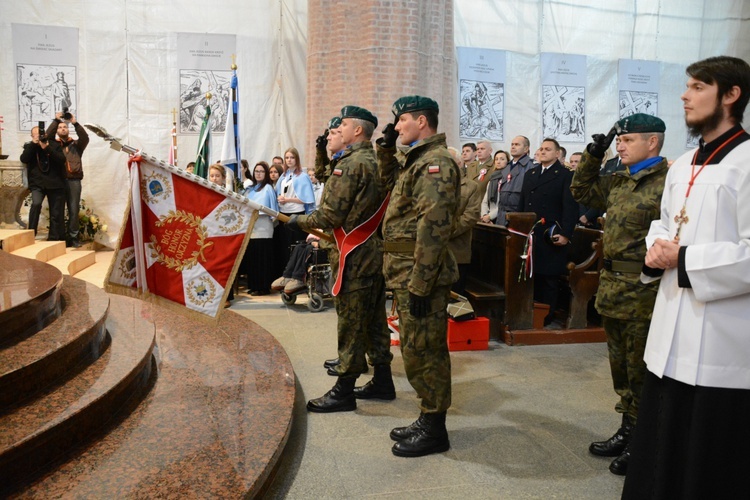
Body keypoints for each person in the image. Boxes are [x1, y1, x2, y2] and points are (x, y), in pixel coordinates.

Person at [623, 56, 750, 499]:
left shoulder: (748, 163)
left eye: (698, 87)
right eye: (687, 87)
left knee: (706, 454)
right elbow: (664, 223)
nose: (685, 95)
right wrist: (656, 248)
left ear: (731, 95)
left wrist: (687, 258)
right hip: (670, 330)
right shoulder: (682, 165)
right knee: (662, 440)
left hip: (722, 340)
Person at [570, 113, 668, 476]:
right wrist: (594, 155)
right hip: (613, 289)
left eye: (627, 141)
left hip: (645, 291)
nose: (620, 146)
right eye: (619, 141)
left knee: (641, 370)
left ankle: (644, 441)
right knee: (621, 371)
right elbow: (581, 191)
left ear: (652, 143)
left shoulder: (667, 183)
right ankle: (628, 430)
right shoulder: (620, 180)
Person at [287, 105, 394, 413]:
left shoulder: (349, 165)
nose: (337, 129)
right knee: (374, 319)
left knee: (350, 322)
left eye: (342, 125)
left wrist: (299, 222)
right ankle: (383, 380)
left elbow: (331, 214)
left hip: (353, 253)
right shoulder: (373, 161)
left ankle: (343, 390)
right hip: (372, 251)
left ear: (357, 130)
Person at [377, 95, 460, 457]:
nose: (397, 127)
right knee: (414, 349)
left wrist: (422, 282)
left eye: (402, 121)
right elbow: (389, 188)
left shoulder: (435, 163)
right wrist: (384, 151)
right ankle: (427, 415)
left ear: (422, 122)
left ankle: (435, 428)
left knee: (426, 351)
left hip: (419, 275)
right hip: (406, 273)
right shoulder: (416, 161)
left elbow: (434, 227)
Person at [518, 138, 578, 327]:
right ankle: (531, 311)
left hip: (551, 232)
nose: (543, 152)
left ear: (557, 153)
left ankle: (548, 314)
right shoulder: (531, 173)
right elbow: (522, 203)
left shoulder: (564, 175)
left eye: (548, 149)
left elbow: (570, 207)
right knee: (532, 274)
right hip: (532, 232)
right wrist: (519, 226)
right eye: (541, 149)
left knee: (549, 277)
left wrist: (566, 233)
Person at [46, 110, 89, 248]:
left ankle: (74, 238)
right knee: (57, 210)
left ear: (68, 130)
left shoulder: (77, 145)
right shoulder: (54, 144)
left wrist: (74, 122)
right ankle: (60, 237)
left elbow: (85, 137)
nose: (62, 128)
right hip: (58, 181)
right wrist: (56, 120)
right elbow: (47, 136)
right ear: (57, 130)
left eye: (65, 127)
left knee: (73, 209)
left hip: (74, 180)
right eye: (60, 127)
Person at [20, 125, 67, 240]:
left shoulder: (54, 145)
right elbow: (24, 159)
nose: (39, 136)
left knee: (56, 212)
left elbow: (62, 160)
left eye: (40, 134)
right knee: (36, 204)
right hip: (37, 183)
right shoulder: (29, 146)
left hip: (55, 183)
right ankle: (31, 234)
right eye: (35, 134)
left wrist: (46, 147)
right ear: (32, 136)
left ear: (45, 134)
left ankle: (54, 238)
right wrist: (33, 144)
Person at [447, 148, 482, 296]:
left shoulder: (471, 187)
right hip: (433, 250)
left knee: (454, 297)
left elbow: (470, 217)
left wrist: (444, 231)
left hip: (457, 251)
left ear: (459, 163)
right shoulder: (434, 184)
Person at [244, 161, 278, 296]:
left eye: (262, 171)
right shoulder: (250, 189)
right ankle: (254, 285)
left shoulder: (268, 188)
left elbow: (272, 210)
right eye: (256, 171)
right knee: (253, 258)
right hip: (251, 227)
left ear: (266, 174)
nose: (258, 174)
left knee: (262, 259)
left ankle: (263, 287)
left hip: (263, 227)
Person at [208, 164, 235, 307]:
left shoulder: (228, 195)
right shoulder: (205, 193)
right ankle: (213, 296)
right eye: (212, 176)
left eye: (217, 176)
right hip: (210, 235)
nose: (214, 179)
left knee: (224, 266)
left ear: (223, 178)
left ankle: (226, 296)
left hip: (225, 235)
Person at [480, 150, 510, 223]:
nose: (498, 161)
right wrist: (484, 215)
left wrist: (490, 216)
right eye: (496, 159)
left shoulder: (508, 178)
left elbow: (503, 203)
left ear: (507, 161)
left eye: (502, 159)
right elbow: (485, 201)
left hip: (501, 217)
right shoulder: (492, 179)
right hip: (488, 217)